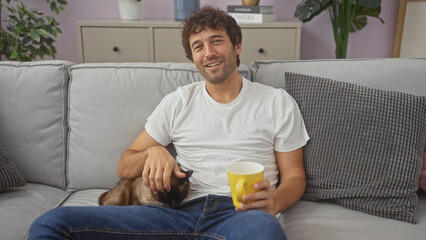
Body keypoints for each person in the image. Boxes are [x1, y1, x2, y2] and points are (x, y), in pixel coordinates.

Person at [29, 6, 309, 240]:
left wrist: (275, 202)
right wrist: (153, 152)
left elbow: (294, 177)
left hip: (242, 216)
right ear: (193, 59)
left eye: (217, 40)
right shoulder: (178, 102)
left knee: (265, 233)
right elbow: (124, 165)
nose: (208, 52)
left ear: (237, 45)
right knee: (51, 223)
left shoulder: (276, 102)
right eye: (198, 46)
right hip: (173, 212)